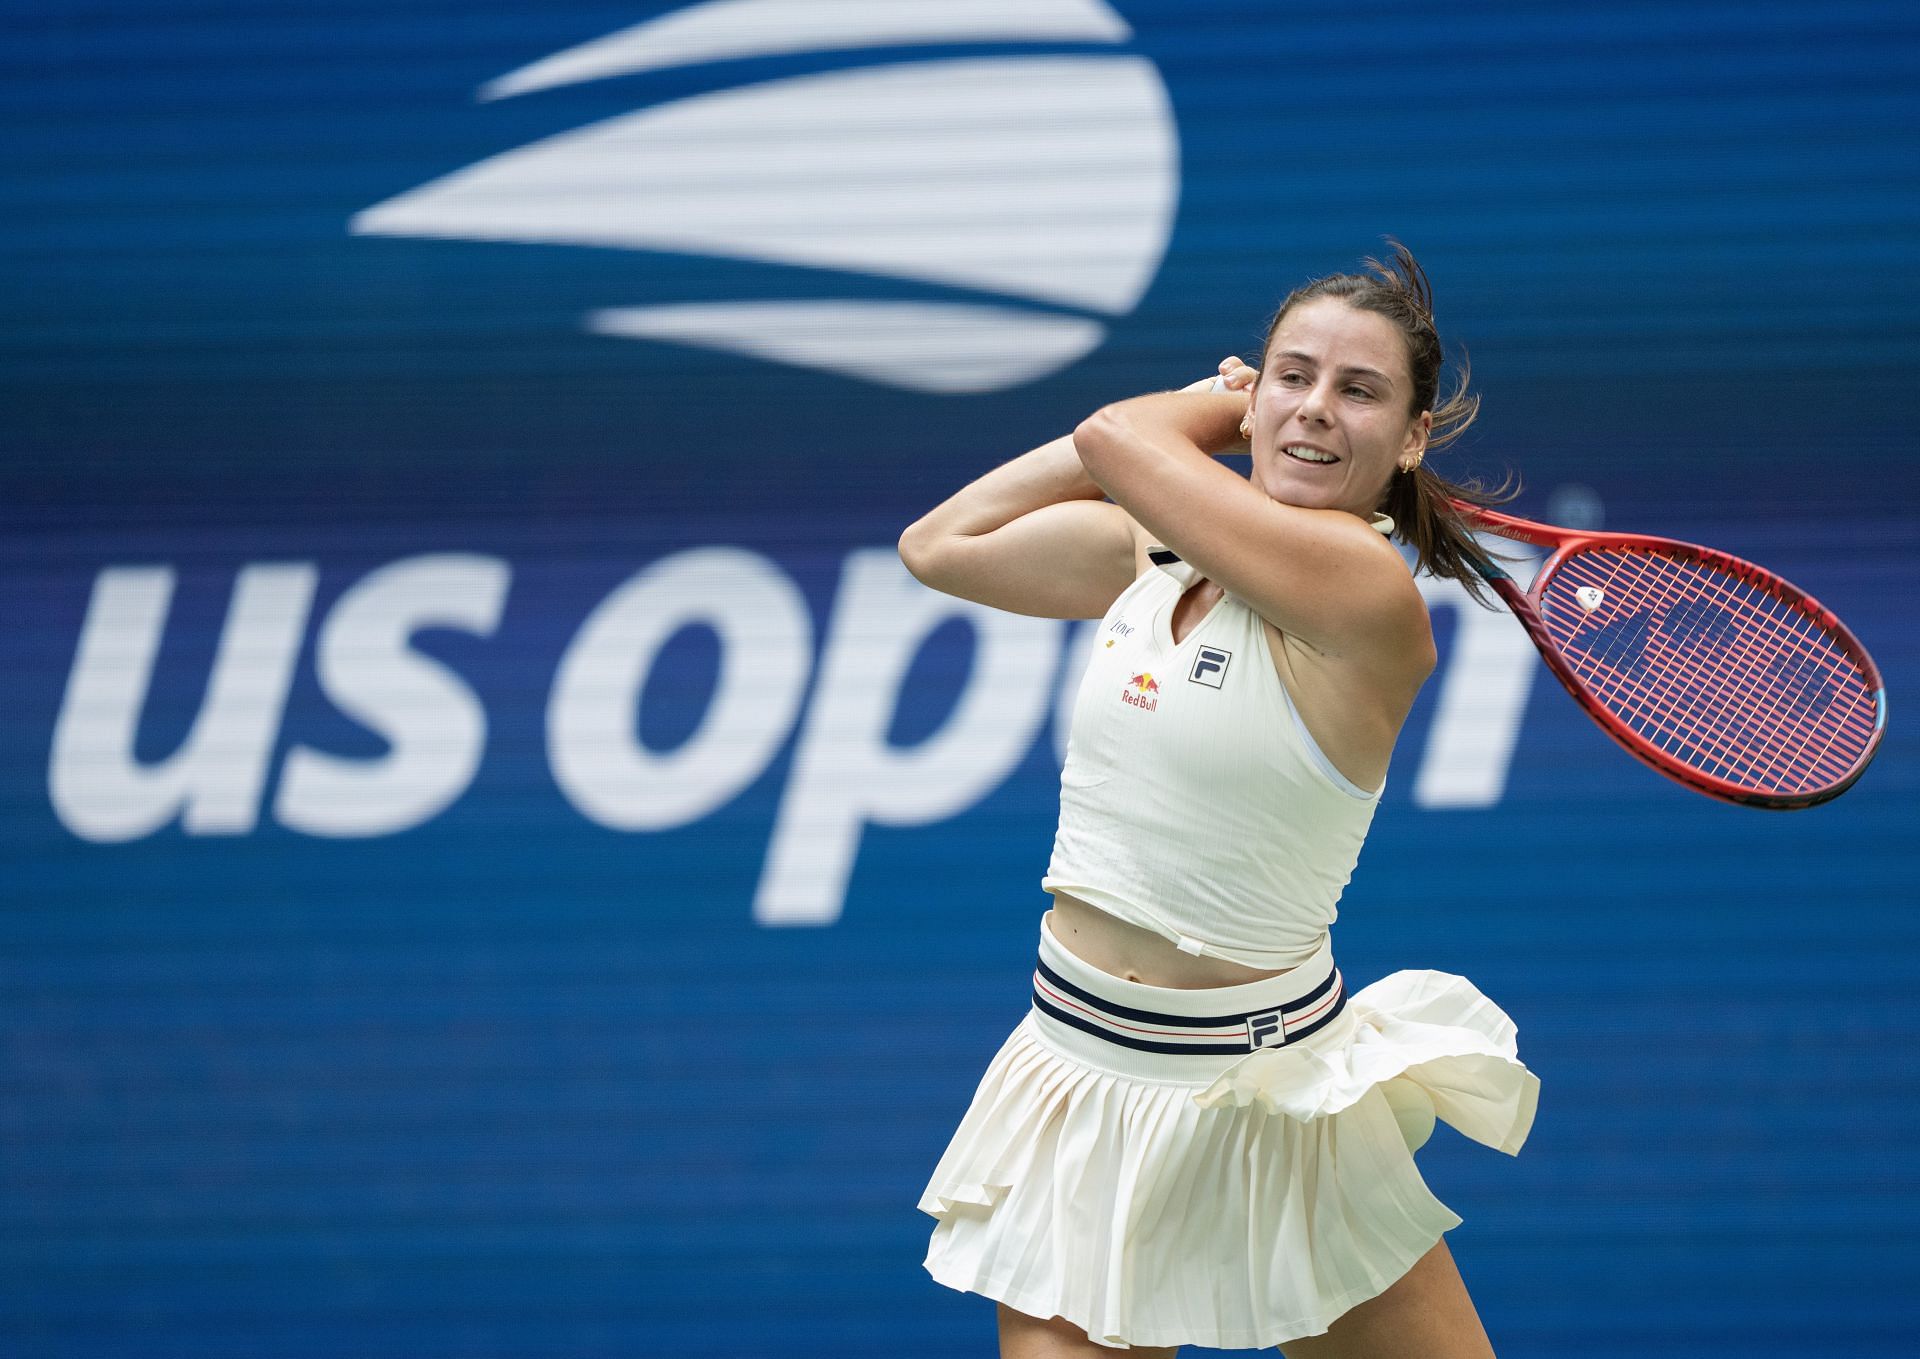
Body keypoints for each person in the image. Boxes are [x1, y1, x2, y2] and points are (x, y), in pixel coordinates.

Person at [897, 244, 1540, 1358]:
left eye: (1359, 390)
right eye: (1293, 376)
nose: (1316, 411)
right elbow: (940, 546)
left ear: (1412, 438)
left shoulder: (1367, 592)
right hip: (1081, 1082)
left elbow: (1113, 439)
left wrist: (1201, 411)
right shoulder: (1154, 556)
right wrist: (1207, 420)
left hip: (1274, 1109)